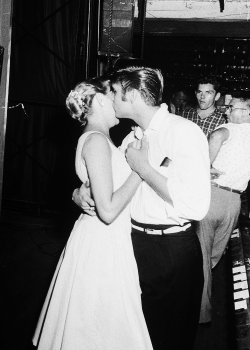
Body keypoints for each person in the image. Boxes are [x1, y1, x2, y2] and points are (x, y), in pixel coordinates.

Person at [73, 67, 211, 350]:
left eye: (115, 92)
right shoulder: (129, 138)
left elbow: (196, 206)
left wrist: (144, 169)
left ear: (133, 95)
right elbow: (108, 188)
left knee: (168, 340)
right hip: (130, 245)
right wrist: (78, 192)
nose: (109, 96)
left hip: (171, 251)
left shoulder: (183, 132)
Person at [32, 77, 153, 350]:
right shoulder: (96, 140)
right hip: (102, 241)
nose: (117, 101)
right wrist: (140, 169)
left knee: (100, 325)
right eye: (113, 95)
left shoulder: (100, 139)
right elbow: (108, 210)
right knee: (101, 326)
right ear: (100, 99)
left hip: (105, 238)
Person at [197, 94, 250, 323]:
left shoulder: (231, 128)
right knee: (211, 259)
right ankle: (201, 301)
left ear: (247, 113)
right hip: (234, 203)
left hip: (213, 196)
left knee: (201, 257)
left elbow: (217, 135)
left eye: (233, 108)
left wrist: (204, 165)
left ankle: (200, 313)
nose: (228, 111)